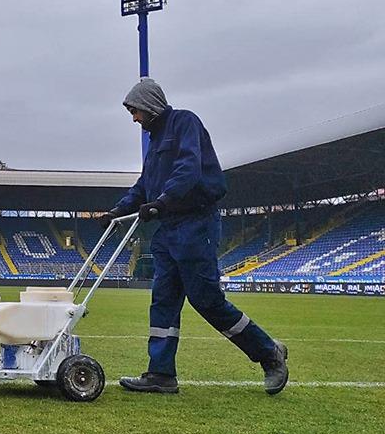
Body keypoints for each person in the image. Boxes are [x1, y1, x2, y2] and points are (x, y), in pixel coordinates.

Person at [99, 78, 289, 395]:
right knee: (163, 301)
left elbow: (189, 169)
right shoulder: (155, 142)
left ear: (150, 105)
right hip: (168, 228)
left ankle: (269, 353)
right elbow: (144, 185)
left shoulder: (185, 123)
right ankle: (160, 374)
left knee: (207, 301)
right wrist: (116, 212)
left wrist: (163, 201)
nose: (134, 119)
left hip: (195, 224)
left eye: (135, 111)